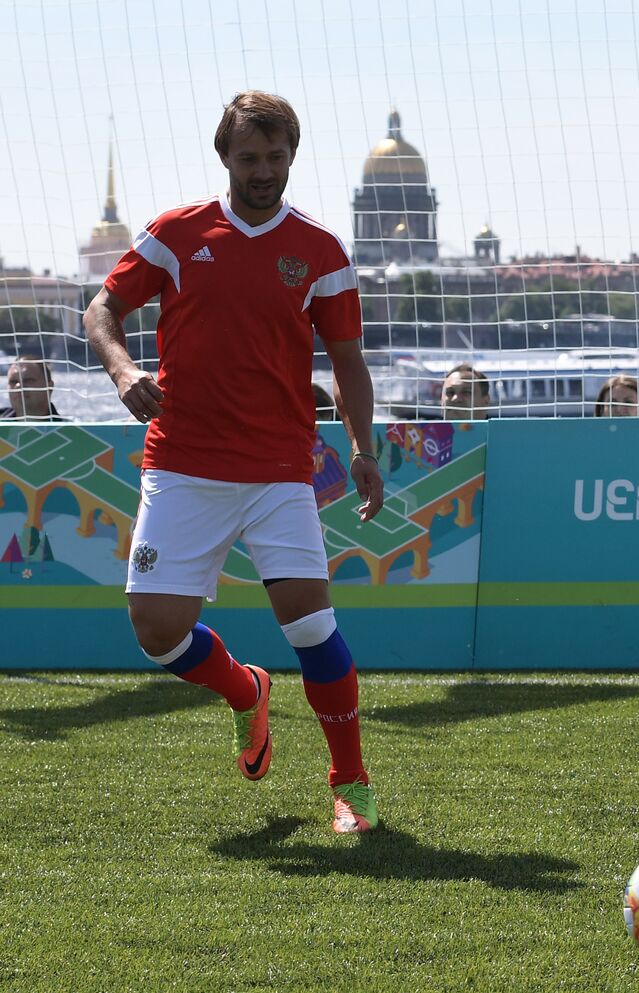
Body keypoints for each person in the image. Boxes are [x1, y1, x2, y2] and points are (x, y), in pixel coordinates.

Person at [81, 91, 384, 834]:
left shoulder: (320, 250)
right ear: (226, 157)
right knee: (155, 629)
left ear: (291, 157)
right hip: (182, 462)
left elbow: (348, 362)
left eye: (276, 157)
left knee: (311, 625)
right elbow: (100, 311)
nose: (263, 171)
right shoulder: (177, 233)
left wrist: (364, 447)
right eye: (250, 157)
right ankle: (247, 690)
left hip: (280, 468)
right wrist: (122, 371)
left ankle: (351, 782)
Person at [2, 356, 65, 420]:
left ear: (49, 386)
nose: (19, 385)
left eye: (28, 380)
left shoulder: (69, 429)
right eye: (13, 382)